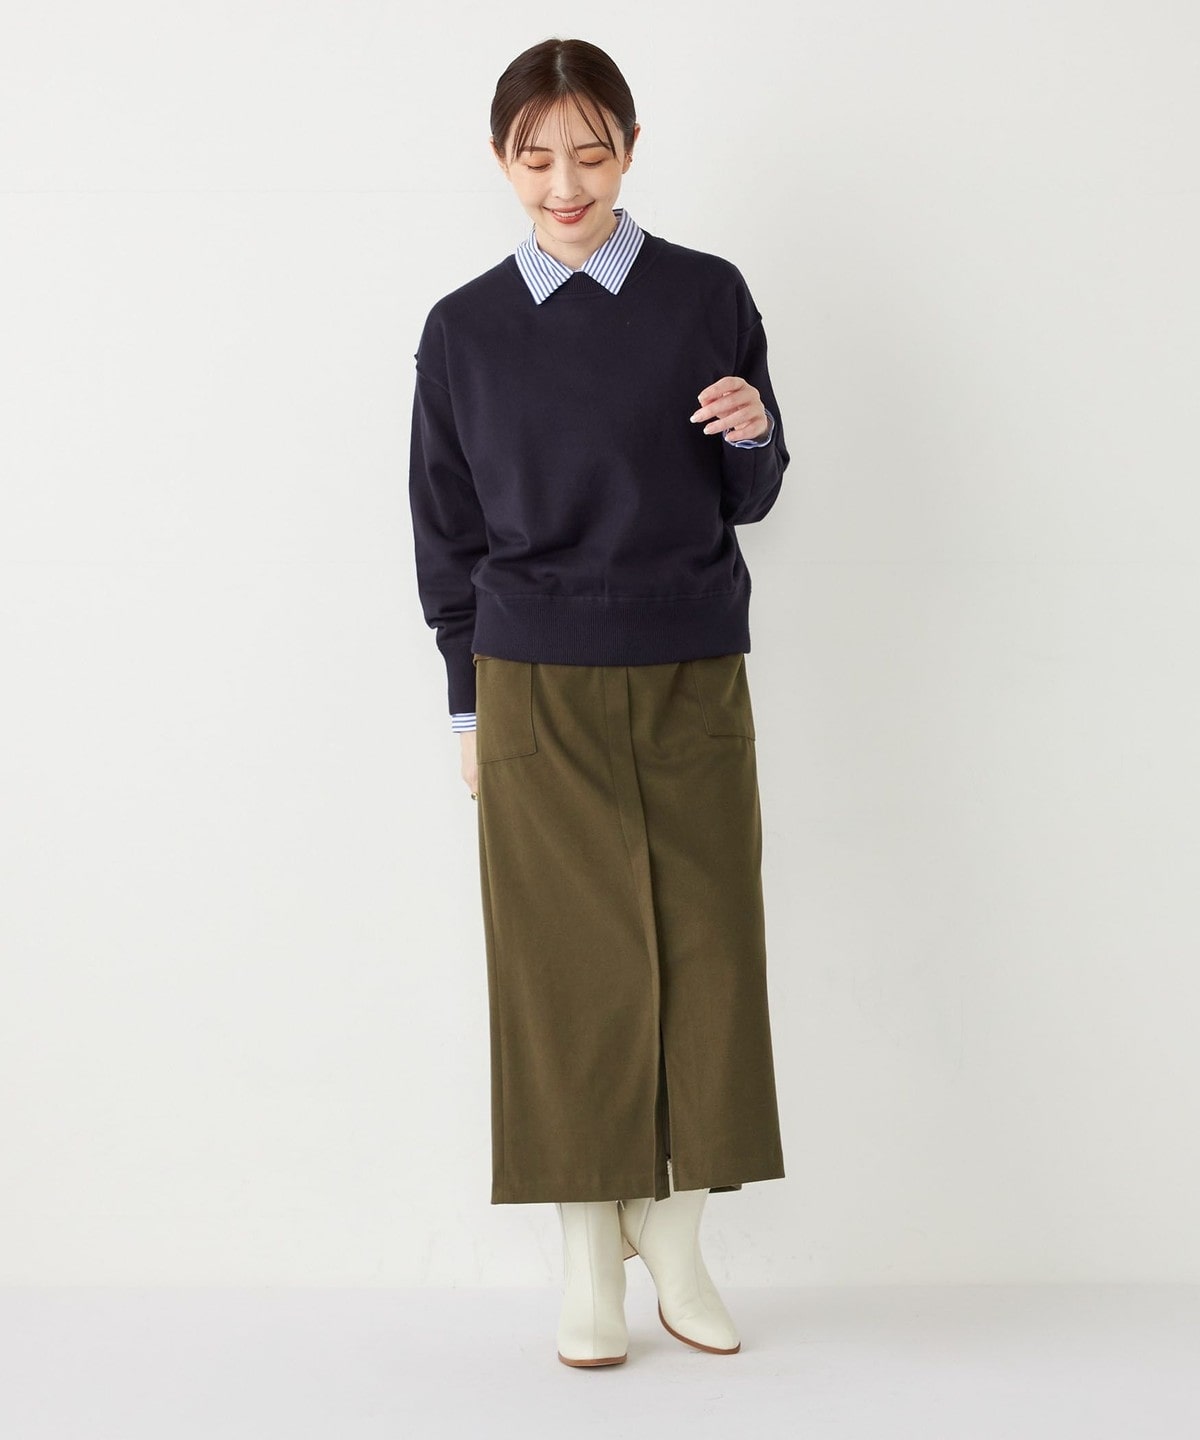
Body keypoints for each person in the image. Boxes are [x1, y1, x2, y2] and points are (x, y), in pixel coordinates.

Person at [408, 36, 790, 1368]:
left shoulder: (706, 294)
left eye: (590, 152)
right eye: (536, 157)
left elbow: (751, 492)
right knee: (562, 973)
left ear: (629, 148)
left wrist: (754, 434)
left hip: (693, 665)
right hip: (534, 681)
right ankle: (587, 1257)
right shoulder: (463, 331)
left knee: (710, 953)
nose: (564, 183)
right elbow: (447, 534)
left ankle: (675, 1240)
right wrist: (468, 705)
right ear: (501, 160)